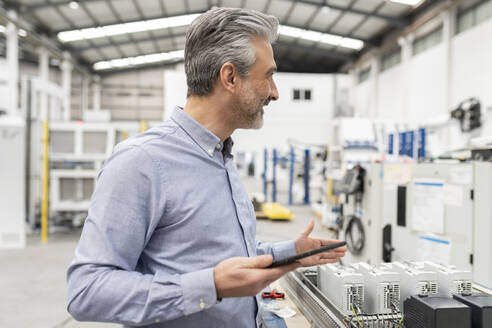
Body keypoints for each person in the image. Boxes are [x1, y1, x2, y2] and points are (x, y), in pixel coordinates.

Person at [66, 7, 347, 328]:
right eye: (268, 75)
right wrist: (209, 286)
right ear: (229, 77)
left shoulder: (222, 156)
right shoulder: (141, 162)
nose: (275, 92)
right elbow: (86, 290)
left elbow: (221, 255)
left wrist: (291, 252)